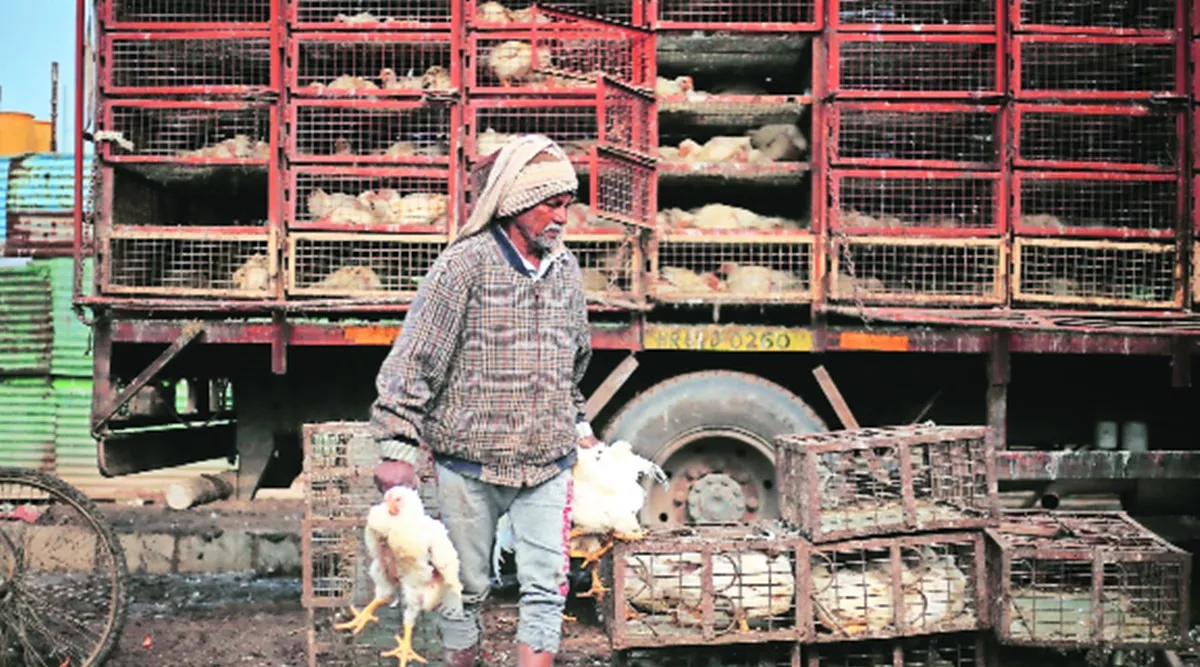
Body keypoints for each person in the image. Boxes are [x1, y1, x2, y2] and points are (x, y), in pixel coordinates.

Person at [369, 134, 598, 667]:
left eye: (567, 205)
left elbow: (574, 358)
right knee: (462, 587)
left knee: (546, 588)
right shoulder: (463, 266)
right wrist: (399, 445)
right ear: (514, 205)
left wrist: (578, 422)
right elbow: (415, 358)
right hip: (469, 462)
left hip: (547, 462)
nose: (561, 218)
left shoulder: (566, 270)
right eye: (550, 205)